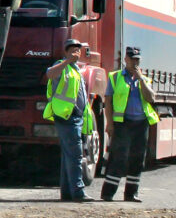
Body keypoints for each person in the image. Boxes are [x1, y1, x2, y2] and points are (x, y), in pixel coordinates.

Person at [100, 46, 159, 202]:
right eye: (132, 58)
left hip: (141, 123)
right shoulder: (115, 77)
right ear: (125, 59)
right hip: (123, 123)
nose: (134, 62)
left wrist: (140, 80)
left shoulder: (145, 79)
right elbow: (108, 102)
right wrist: (110, 123)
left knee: (138, 158)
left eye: (137, 59)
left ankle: (131, 194)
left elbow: (151, 98)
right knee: (119, 157)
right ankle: (108, 193)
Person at [43, 38, 93, 202]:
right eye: (71, 50)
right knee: (76, 155)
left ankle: (66, 192)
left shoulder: (76, 70)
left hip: (76, 117)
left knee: (68, 155)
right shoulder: (62, 66)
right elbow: (49, 73)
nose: (75, 52)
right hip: (66, 116)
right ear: (65, 52)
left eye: (77, 50)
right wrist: (66, 62)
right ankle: (78, 192)